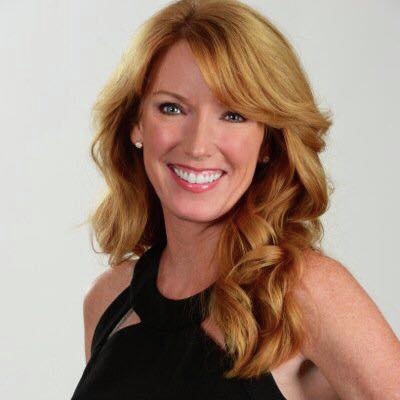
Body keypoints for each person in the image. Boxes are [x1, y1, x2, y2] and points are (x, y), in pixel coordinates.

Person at [71, 0, 400, 399]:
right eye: (172, 108)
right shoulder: (108, 301)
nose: (198, 146)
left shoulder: (304, 293)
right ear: (136, 124)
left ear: (268, 142)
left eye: (234, 115)